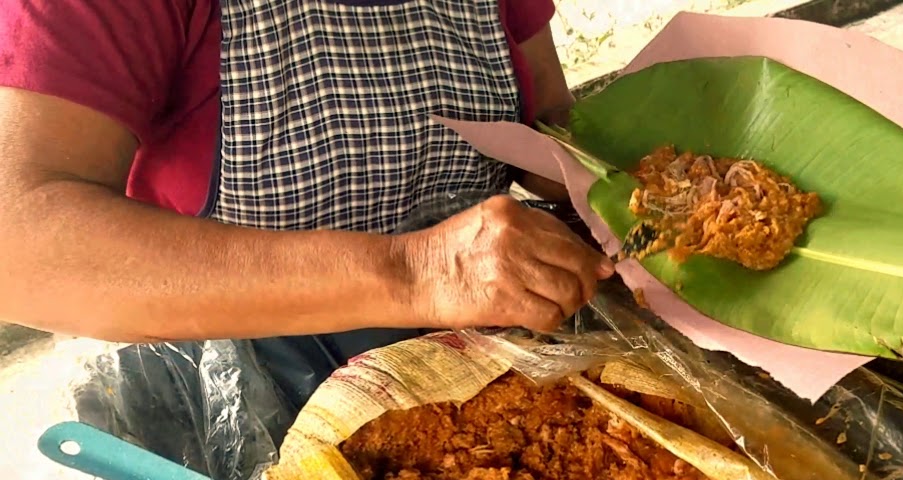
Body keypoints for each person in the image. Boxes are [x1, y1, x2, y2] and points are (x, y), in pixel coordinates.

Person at [0, 0, 614, 411]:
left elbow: (546, 124)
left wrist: (639, 183)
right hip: (246, 400)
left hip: (480, 371)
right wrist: (419, 270)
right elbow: (21, 244)